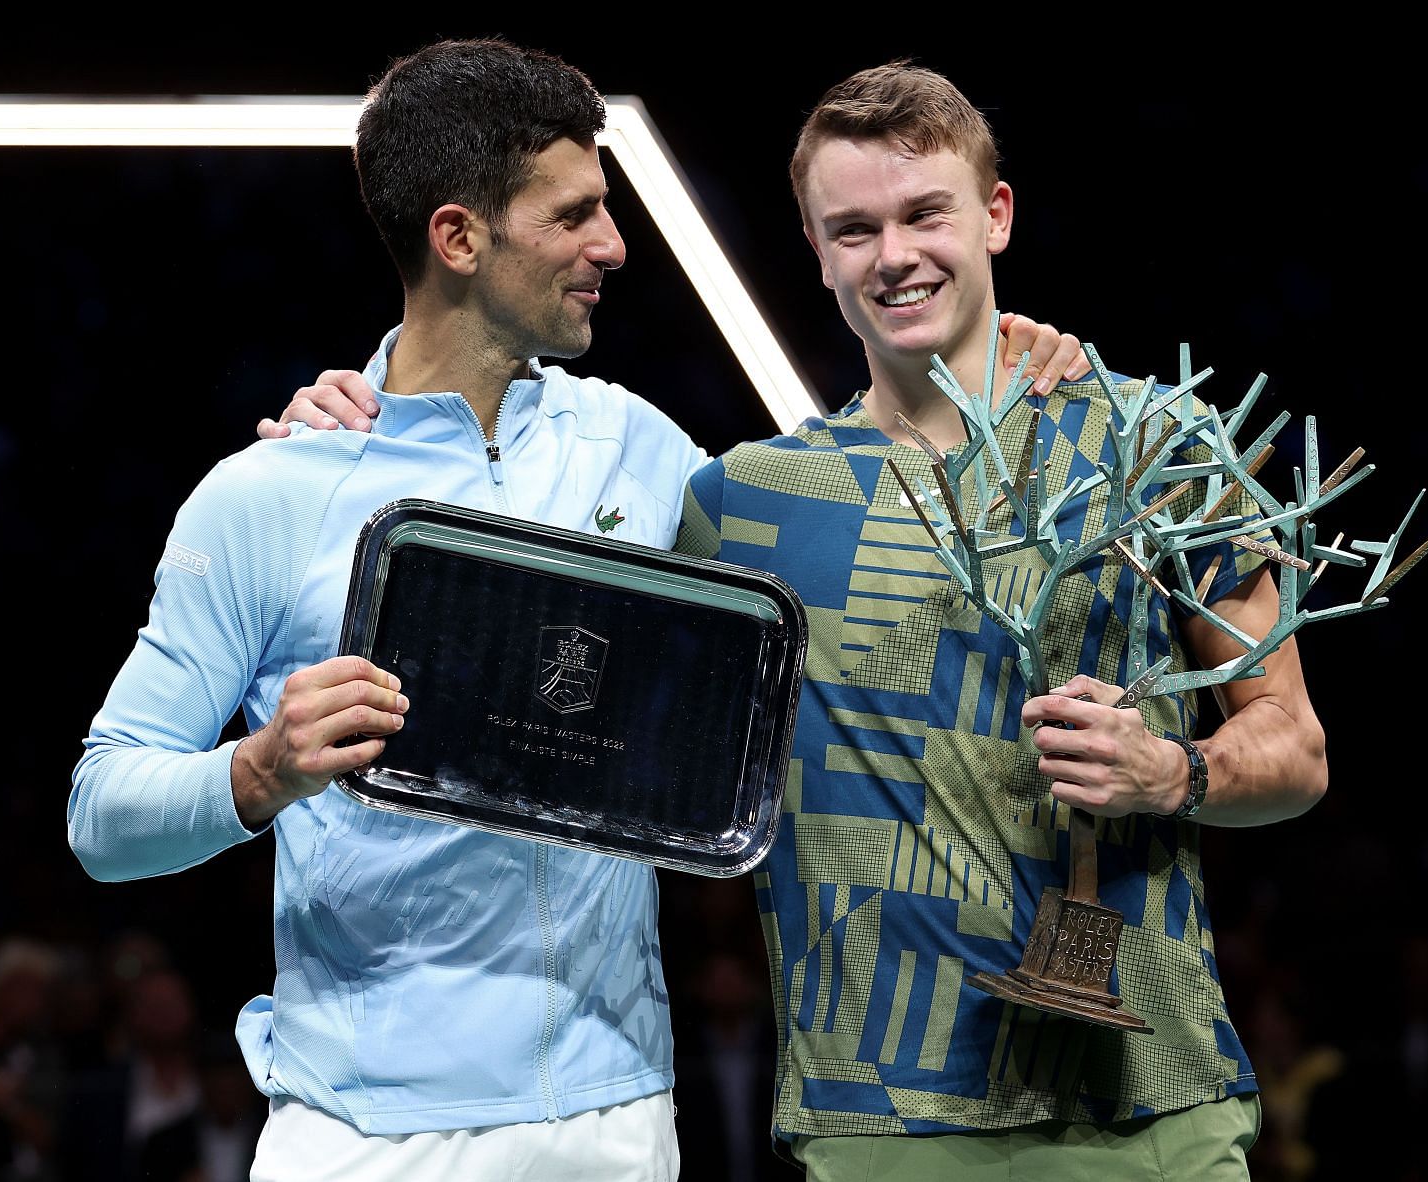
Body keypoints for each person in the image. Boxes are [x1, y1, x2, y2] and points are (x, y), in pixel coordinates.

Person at [277, 57, 1325, 1182]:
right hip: (875, 1117)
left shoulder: (1158, 452)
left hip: (1149, 1100)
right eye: (856, 228)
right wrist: (353, 425)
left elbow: (1294, 747)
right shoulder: (744, 509)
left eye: (927, 213)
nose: (898, 255)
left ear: (997, 216)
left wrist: (1176, 773)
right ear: (820, 253)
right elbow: (537, 647)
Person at [77, 35, 1085, 1180]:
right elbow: (102, 813)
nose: (613, 245)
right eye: (574, 216)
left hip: (618, 1122)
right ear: (459, 237)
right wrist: (258, 771)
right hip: (362, 1137)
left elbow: (861, 528)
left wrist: (996, 362)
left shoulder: (638, 448)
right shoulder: (268, 495)